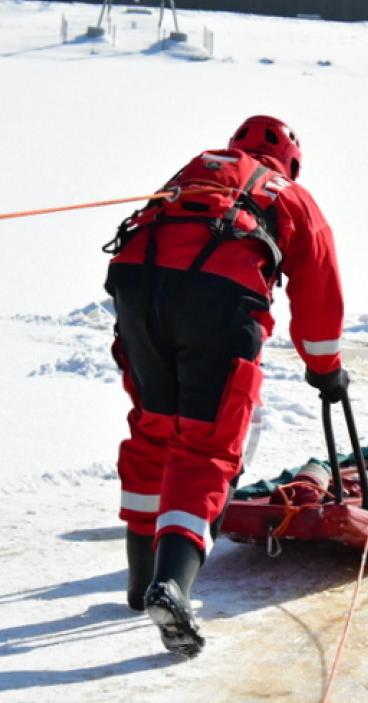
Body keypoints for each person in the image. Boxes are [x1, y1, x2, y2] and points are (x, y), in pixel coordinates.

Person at [103, 115, 348, 658]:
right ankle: (172, 588)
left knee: (153, 430)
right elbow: (319, 292)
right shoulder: (292, 196)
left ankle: (139, 581)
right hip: (219, 295)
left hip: (136, 286)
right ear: (293, 163)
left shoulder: (196, 170)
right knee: (206, 444)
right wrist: (326, 368)